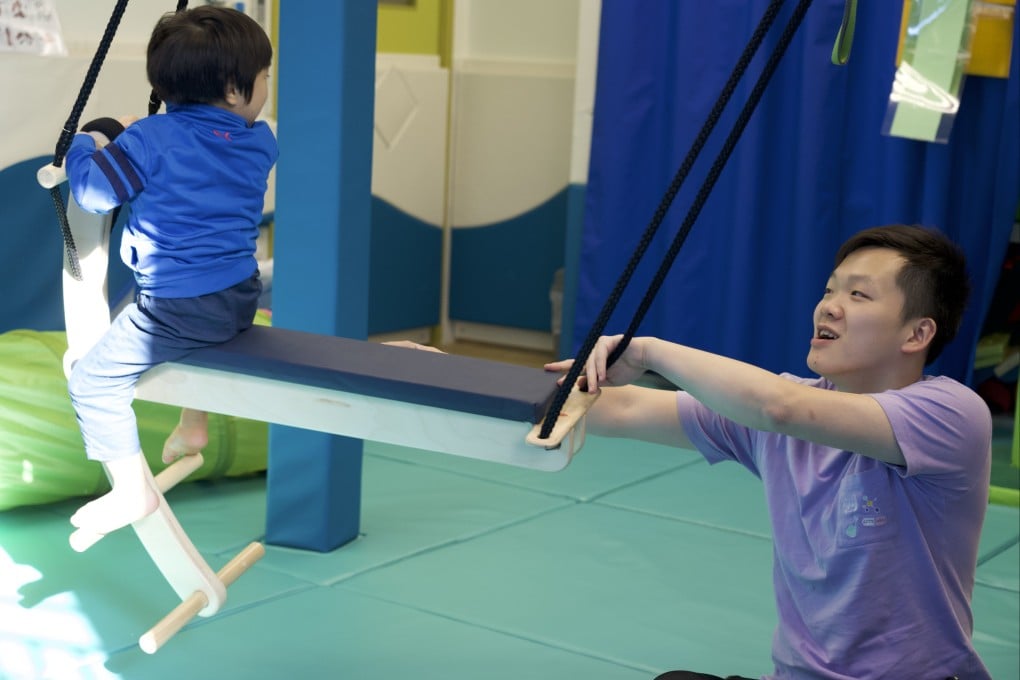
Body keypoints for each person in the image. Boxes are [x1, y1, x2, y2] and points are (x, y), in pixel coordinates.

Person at [546, 224, 992, 680]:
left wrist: (647, 351)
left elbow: (779, 407)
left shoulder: (950, 414)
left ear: (917, 334)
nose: (828, 307)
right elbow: (624, 410)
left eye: (858, 296)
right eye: (829, 290)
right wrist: (551, 395)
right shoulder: (778, 416)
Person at [63, 6, 277, 542]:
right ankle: (193, 422)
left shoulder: (151, 142)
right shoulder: (260, 141)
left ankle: (130, 488)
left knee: (89, 381)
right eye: (265, 78)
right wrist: (148, 135)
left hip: (176, 309)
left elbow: (91, 192)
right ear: (234, 91)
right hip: (237, 296)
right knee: (158, 330)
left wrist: (84, 146)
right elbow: (203, 147)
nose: (267, 88)